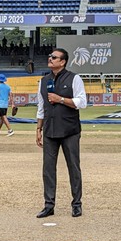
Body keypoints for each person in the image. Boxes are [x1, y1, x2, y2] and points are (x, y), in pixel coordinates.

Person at [35, 48, 87, 218]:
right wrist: (38, 129)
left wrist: (61, 99)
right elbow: (41, 107)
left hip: (70, 130)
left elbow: (82, 102)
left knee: (73, 167)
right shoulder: (44, 81)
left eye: (54, 57)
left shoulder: (74, 78)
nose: (50, 59)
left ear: (63, 61)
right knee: (48, 169)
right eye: (50, 56)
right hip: (50, 129)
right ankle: (49, 205)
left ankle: (76, 204)